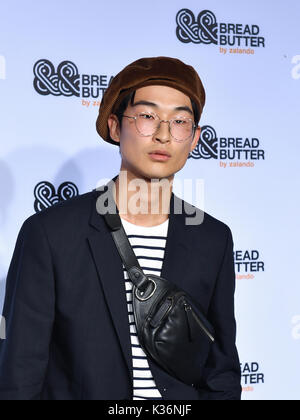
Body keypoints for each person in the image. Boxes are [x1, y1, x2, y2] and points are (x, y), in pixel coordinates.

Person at [0, 56, 241, 400]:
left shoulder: (212, 238)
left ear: (195, 138)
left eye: (179, 121)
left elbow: (221, 371)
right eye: (146, 117)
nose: (163, 134)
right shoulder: (51, 233)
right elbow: (19, 373)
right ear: (115, 127)